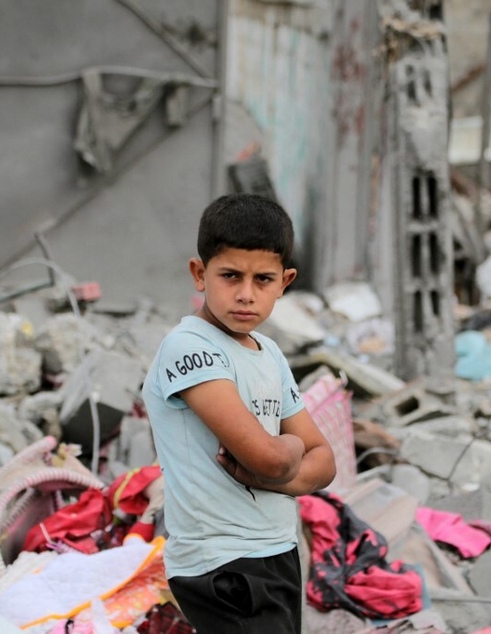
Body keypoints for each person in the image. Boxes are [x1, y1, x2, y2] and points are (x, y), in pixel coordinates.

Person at [142, 193, 337, 633]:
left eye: (263, 280)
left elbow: (324, 460)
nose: (246, 295)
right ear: (199, 273)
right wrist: (285, 454)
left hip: (276, 550)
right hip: (223, 562)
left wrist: (277, 471)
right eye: (230, 275)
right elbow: (268, 456)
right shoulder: (190, 347)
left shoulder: (268, 353)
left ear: (285, 282)